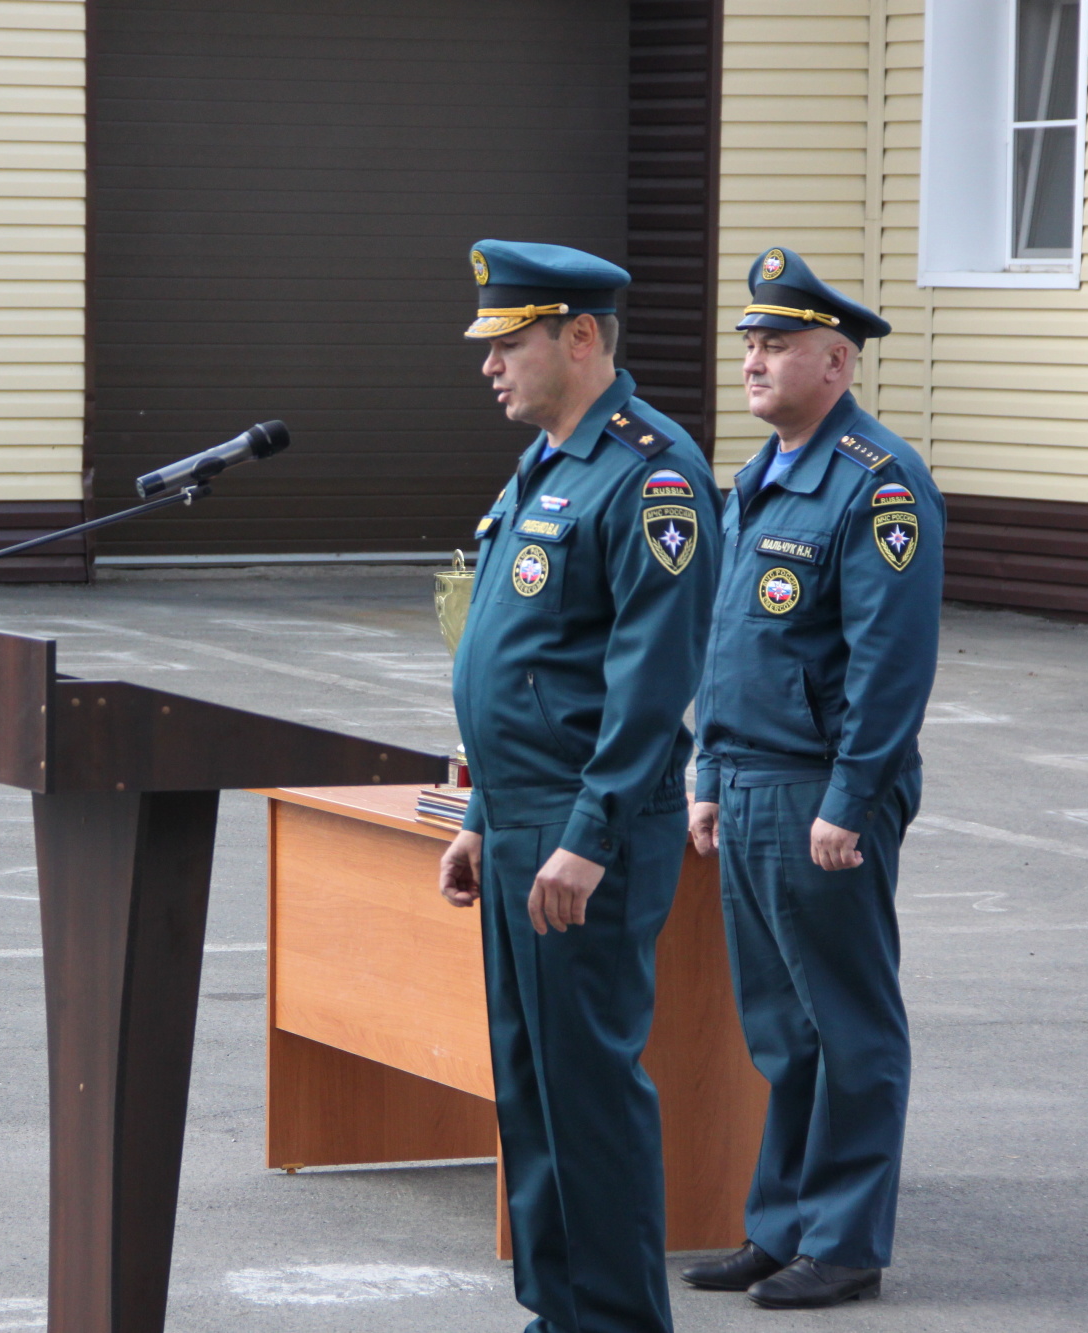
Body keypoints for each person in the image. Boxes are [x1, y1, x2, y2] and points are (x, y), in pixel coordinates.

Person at [438, 239, 722, 1333]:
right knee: (532, 1087)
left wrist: (587, 835)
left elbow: (648, 688)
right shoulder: (551, 462)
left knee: (588, 1093)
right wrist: (479, 813)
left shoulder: (650, 474)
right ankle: (556, 1312)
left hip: (583, 833)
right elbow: (524, 664)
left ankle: (610, 1321)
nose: (489, 364)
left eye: (508, 342)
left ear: (582, 337)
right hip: (522, 821)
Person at [679, 246, 943, 1309]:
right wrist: (703, 769)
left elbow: (890, 662)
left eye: (776, 343)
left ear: (834, 362)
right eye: (747, 340)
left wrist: (849, 798)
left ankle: (843, 1243)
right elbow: (726, 644)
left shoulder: (876, 483)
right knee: (778, 1030)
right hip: (743, 780)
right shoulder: (760, 477)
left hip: (816, 792)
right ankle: (778, 1226)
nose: (751, 358)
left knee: (846, 1025)